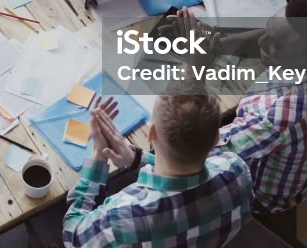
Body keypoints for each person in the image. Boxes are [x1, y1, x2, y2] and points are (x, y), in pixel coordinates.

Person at [164, 0, 307, 237]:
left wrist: (194, 64)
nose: (263, 41)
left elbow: (192, 152)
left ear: (305, 59)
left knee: (169, 167)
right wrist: (215, 43)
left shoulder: (277, 116)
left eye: (275, 45)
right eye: (269, 30)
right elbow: (269, 38)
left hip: (267, 195)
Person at [62, 93, 252, 247]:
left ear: (151, 134)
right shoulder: (236, 170)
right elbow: (187, 168)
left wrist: (98, 157)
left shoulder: (121, 217)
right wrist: (135, 158)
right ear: (215, 138)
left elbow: (73, 236)